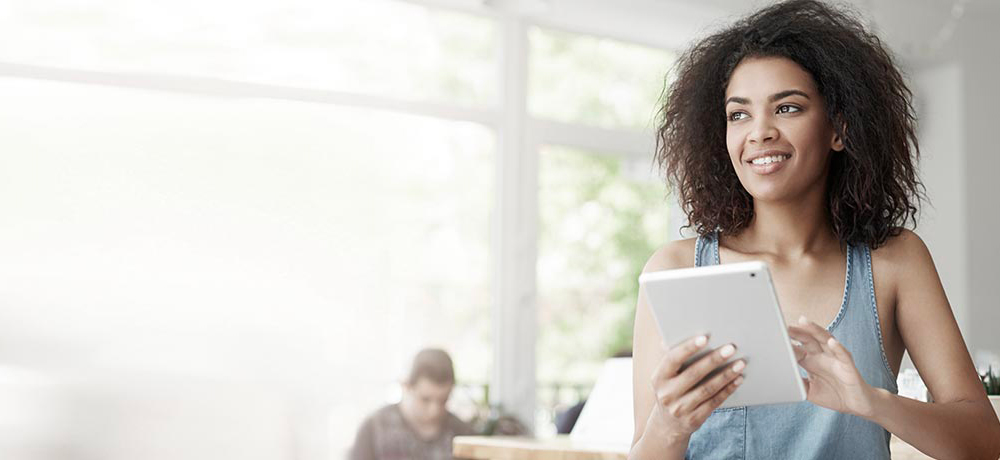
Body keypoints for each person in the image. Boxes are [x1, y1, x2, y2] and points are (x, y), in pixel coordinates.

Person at [629, 1, 1000, 459]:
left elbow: (984, 440)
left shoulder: (895, 261)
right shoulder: (675, 267)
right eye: (738, 114)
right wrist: (669, 426)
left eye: (787, 107)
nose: (759, 132)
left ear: (839, 130)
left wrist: (871, 402)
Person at [350, 348, 473, 460]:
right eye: (425, 399)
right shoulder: (374, 428)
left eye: (443, 400)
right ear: (406, 387)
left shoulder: (463, 435)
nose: (434, 410)